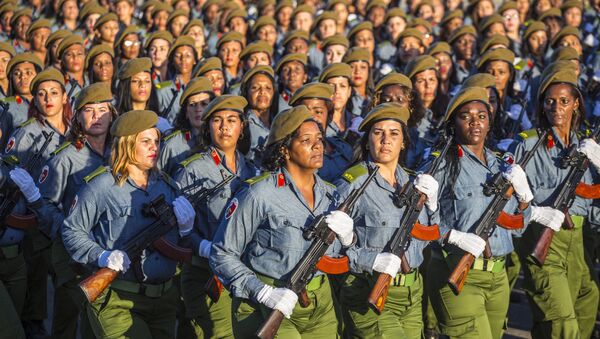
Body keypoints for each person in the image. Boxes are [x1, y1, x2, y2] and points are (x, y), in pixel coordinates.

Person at [425, 86, 564, 339]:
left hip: (498, 277)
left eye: (482, 116)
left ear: (490, 122)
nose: (475, 122)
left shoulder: (501, 164)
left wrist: (524, 198)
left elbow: (517, 226)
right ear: (452, 123)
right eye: (465, 116)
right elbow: (421, 224)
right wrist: (453, 237)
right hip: (456, 271)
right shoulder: (441, 164)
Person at [210, 105, 354, 337]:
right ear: (285, 150)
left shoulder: (332, 195)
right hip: (269, 301)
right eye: (306, 140)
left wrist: (349, 239)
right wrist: (262, 292)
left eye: (319, 138)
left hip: (320, 303)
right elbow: (222, 253)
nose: (317, 145)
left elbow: (338, 257)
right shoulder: (260, 193)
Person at [62, 109, 196, 339]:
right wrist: (102, 256)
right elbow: (71, 231)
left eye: (156, 141)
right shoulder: (102, 185)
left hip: (163, 299)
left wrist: (185, 229)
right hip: (118, 299)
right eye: (145, 141)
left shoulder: (166, 185)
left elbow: (179, 244)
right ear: (126, 144)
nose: (154, 147)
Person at [509, 69, 600, 339]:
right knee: (563, 324)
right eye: (549, 101)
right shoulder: (529, 145)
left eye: (563, 101)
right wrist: (537, 212)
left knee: (582, 307)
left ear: (576, 103)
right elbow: (511, 202)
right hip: (543, 242)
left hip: (580, 243)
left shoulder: (587, 144)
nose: (556, 107)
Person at [336, 102, 439, 338]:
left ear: (404, 142)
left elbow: (432, 235)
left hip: (412, 294)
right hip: (368, 291)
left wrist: (433, 205)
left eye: (394, 133)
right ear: (367, 140)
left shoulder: (414, 183)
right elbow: (331, 248)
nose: (386, 140)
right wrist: (371, 260)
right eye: (378, 132)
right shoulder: (353, 184)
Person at [27, 82, 114, 339]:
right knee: (66, 323)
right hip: (71, 257)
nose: (97, 116)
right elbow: (45, 205)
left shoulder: (120, 151)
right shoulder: (65, 156)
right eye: (89, 110)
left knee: (99, 324)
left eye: (103, 109)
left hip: (109, 251)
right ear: (76, 116)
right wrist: (68, 233)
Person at [175, 95, 255, 339]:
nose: (224, 127)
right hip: (206, 274)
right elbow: (177, 229)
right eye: (217, 120)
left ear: (242, 127)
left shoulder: (251, 169)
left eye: (231, 120)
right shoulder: (193, 169)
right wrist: (202, 246)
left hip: (243, 274)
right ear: (208, 128)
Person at [5, 67, 72, 339]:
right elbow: (8, 175)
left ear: (65, 97)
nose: (48, 99)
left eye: (54, 93)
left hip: (67, 217)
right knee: (35, 284)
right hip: (33, 218)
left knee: (68, 291)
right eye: (41, 94)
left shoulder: (76, 131)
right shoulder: (25, 133)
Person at [289, 82, 353, 181]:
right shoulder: (293, 154)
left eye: (318, 112)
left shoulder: (343, 148)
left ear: (329, 116)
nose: (311, 117)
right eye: (305, 112)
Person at [159, 77, 214, 175]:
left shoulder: (219, 140)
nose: (198, 109)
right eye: (192, 104)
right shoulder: (172, 146)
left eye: (204, 104)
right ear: (186, 113)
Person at [0, 53, 43, 148]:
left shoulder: (48, 104)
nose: (23, 77)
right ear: (11, 79)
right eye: (17, 73)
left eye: (28, 73)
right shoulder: (5, 106)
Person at [239, 65, 276, 168]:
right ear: (246, 92)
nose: (262, 91)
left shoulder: (280, 122)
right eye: (255, 87)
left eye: (268, 88)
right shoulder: (241, 124)